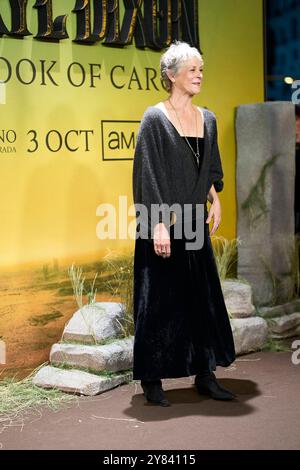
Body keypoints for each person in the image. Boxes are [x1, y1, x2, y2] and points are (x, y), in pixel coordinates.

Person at [132, 41, 236, 407]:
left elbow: (205, 168)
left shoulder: (207, 118)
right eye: (192, 69)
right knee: (159, 303)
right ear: (172, 75)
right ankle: (152, 379)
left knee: (201, 300)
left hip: (195, 224)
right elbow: (149, 175)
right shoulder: (154, 118)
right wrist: (158, 225)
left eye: (201, 70)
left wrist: (216, 199)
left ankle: (205, 374)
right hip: (162, 224)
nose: (199, 75)